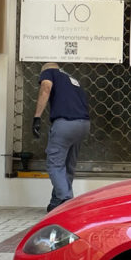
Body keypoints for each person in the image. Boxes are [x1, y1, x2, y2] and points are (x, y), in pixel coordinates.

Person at [32, 63, 91, 213]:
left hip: (65, 124)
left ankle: (66, 202)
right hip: (83, 124)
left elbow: (46, 88)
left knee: (54, 165)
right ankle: (56, 202)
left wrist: (37, 117)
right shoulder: (73, 80)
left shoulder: (50, 72)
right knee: (67, 166)